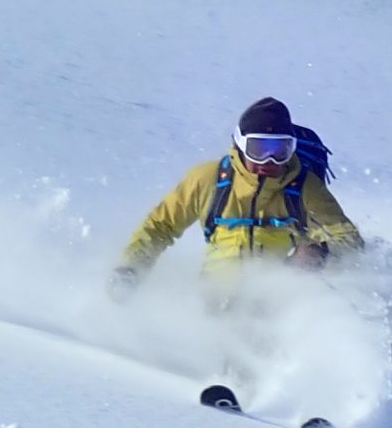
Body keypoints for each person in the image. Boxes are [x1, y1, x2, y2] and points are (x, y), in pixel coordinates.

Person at [111, 97, 361, 294]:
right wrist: (131, 268)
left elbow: (349, 239)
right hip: (211, 299)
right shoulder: (209, 179)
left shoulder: (305, 188)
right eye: (259, 148)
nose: (270, 160)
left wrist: (321, 251)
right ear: (240, 144)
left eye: (280, 149)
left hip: (276, 305)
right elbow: (161, 225)